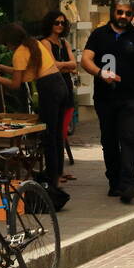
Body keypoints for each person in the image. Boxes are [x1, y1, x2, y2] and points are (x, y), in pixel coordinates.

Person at [0, 23, 70, 199]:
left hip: (49, 90)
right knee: (56, 136)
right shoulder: (33, 44)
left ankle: (52, 183)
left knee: (49, 138)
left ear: (8, 42)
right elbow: (20, 72)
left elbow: (15, 83)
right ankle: (55, 177)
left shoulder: (20, 52)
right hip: (59, 85)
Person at [82, 0, 134, 204]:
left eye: (128, 13)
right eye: (120, 12)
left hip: (131, 98)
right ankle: (114, 182)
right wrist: (100, 73)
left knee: (130, 139)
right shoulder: (99, 34)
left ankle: (127, 184)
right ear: (113, 10)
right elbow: (86, 59)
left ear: (133, 15)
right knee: (109, 141)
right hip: (105, 99)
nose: (123, 16)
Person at [41, 10, 78, 183]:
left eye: (63, 23)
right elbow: (52, 66)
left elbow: (74, 65)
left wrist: (62, 66)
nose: (60, 26)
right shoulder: (45, 43)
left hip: (65, 88)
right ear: (50, 23)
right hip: (52, 89)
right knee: (53, 133)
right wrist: (65, 66)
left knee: (61, 133)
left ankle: (59, 171)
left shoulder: (64, 43)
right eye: (56, 22)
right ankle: (54, 173)